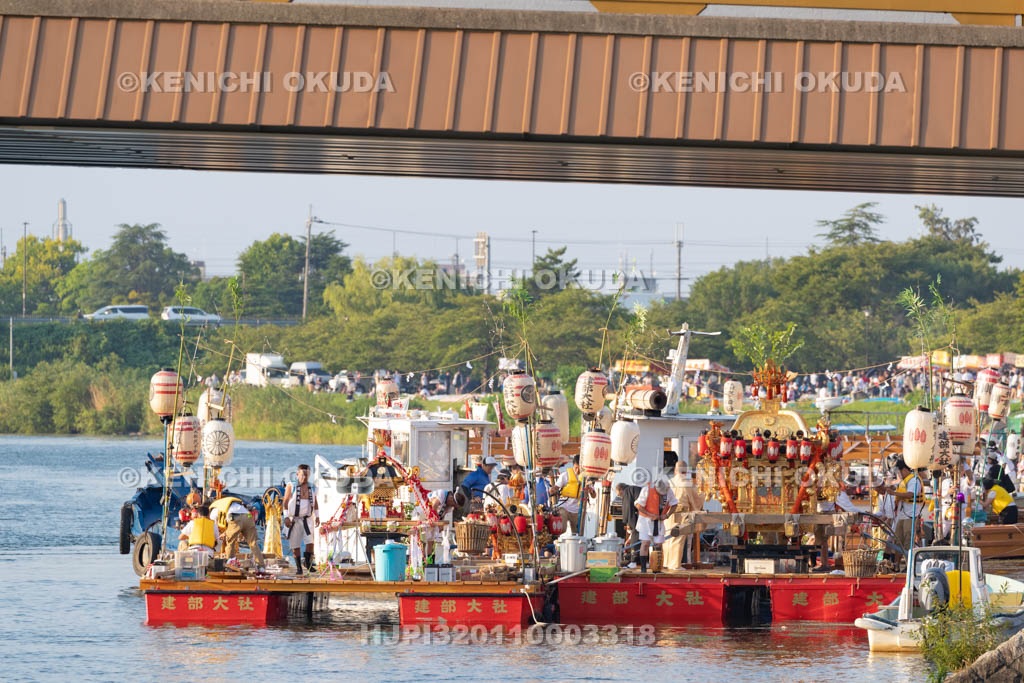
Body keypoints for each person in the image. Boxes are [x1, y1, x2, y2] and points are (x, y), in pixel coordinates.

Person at [875, 458, 924, 564]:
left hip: (911, 515)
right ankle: (896, 564)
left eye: (899, 471)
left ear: (904, 469)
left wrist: (894, 494)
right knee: (897, 541)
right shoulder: (904, 481)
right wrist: (893, 489)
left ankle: (909, 566)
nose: (898, 474)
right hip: (902, 515)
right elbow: (900, 489)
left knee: (907, 541)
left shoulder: (914, 480)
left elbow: (911, 494)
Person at [664, 463, 704, 569]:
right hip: (681, 513)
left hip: (668, 513)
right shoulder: (687, 483)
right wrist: (704, 494)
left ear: (675, 470)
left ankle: (666, 563)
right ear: (686, 471)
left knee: (667, 537)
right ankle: (675, 564)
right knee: (678, 538)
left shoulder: (669, 482)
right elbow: (696, 498)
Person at [634, 478, 677, 573]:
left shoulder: (668, 490)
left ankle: (657, 569)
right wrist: (651, 515)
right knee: (645, 543)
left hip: (659, 521)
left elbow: (674, 503)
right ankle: (643, 568)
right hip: (646, 521)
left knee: (659, 545)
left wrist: (667, 515)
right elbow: (638, 505)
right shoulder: (647, 489)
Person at [209, 496, 265, 568]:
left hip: (235, 517)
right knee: (253, 543)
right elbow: (232, 526)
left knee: (230, 542)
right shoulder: (230, 504)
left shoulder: (215, 509)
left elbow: (214, 526)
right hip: (248, 516)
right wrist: (225, 533)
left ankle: (230, 565)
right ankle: (261, 566)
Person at [283, 464, 319, 575]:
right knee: (295, 544)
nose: (305, 477)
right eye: (303, 474)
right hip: (294, 519)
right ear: (297, 474)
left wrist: (317, 516)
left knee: (310, 543)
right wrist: (286, 517)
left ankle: (307, 563)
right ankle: (299, 567)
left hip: (307, 519)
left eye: (307, 475)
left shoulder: (313, 487)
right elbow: (285, 502)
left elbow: (315, 503)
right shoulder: (291, 485)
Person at [554, 455, 595, 535]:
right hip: (564, 506)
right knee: (561, 528)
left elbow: (594, 496)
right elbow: (556, 487)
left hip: (577, 510)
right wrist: (552, 489)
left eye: (579, 468)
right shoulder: (565, 475)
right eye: (576, 467)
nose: (577, 470)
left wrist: (591, 491)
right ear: (573, 465)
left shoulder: (586, 478)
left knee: (577, 533)